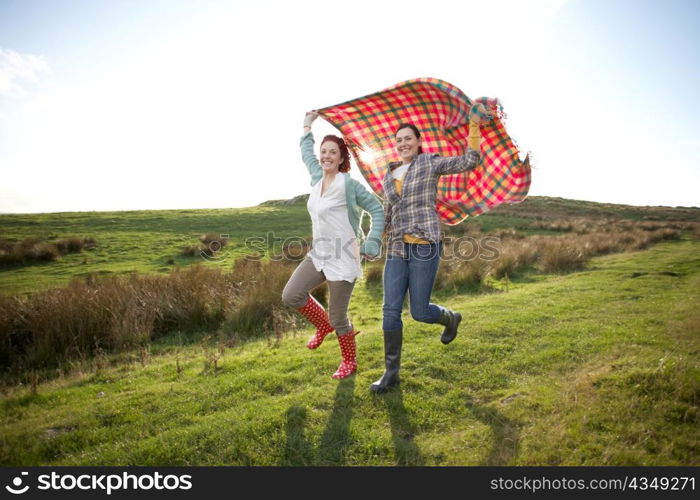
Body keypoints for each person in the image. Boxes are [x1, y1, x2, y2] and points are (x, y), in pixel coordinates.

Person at [370, 103, 488, 393]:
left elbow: (469, 161)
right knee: (389, 311)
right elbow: (387, 210)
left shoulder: (430, 162)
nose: (403, 143)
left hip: (425, 245)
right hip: (397, 248)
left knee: (419, 312)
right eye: (398, 140)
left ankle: (450, 317)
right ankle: (391, 374)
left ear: (418, 141)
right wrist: (374, 237)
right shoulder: (390, 174)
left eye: (408, 138)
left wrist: (473, 126)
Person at [282, 112, 384, 379]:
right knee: (291, 295)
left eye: (332, 152)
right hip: (319, 254)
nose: (326, 156)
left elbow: (376, 207)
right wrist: (307, 123)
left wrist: (372, 240)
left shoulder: (349, 185)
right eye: (323, 152)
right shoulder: (317, 178)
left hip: (344, 258)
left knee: (339, 317)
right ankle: (323, 325)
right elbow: (306, 152)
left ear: (341, 158)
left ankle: (349, 361)